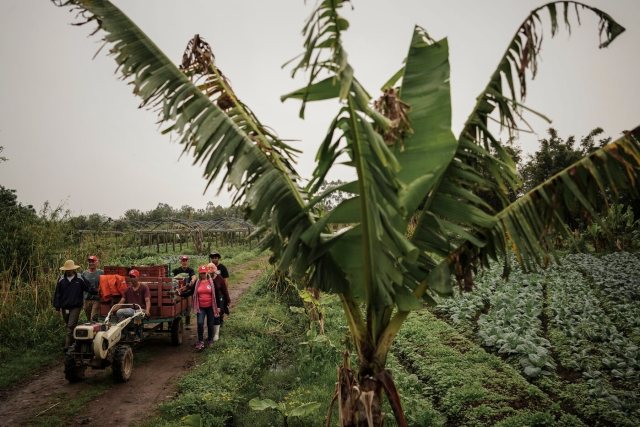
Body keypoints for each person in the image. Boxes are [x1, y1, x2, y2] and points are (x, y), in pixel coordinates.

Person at [53, 259, 95, 350]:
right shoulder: (61, 279)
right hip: (65, 307)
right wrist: (57, 307)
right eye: (66, 270)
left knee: (70, 326)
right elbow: (57, 294)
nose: (68, 271)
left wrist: (97, 292)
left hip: (76, 306)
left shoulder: (79, 278)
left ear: (73, 269)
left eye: (70, 269)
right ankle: (76, 344)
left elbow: (88, 287)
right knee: (69, 326)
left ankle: (67, 347)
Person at [192, 265, 221, 350]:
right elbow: (191, 291)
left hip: (210, 307)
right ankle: (200, 341)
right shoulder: (197, 283)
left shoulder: (211, 282)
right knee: (200, 323)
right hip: (200, 307)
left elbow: (217, 294)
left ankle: (210, 339)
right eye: (201, 273)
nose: (203, 275)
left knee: (210, 323)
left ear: (207, 273)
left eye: (204, 273)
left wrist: (218, 306)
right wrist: (181, 293)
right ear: (199, 274)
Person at [207, 262, 230, 332]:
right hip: (211, 297)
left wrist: (228, 298)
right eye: (209, 273)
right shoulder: (206, 278)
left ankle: (220, 323)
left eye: (212, 272)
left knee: (220, 310)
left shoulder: (219, 278)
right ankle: (212, 329)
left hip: (220, 296)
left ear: (214, 271)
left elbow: (225, 289)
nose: (210, 274)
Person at [81, 255, 103, 322]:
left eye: (93, 261)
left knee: (93, 318)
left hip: (96, 299)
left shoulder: (101, 272)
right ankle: (93, 331)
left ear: (97, 262)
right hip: (86, 299)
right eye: (89, 262)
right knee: (88, 319)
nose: (91, 263)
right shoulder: (84, 273)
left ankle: (95, 330)